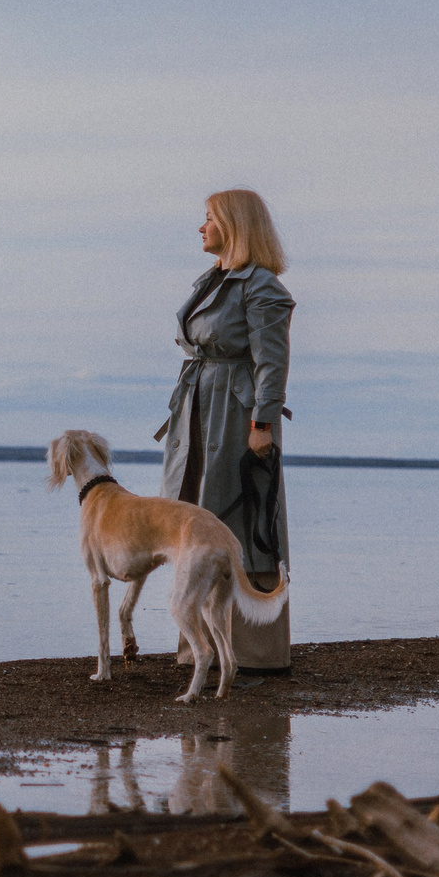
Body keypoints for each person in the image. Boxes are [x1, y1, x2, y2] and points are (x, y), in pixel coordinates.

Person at [157, 188, 294, 673]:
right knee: (193, 518)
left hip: (235, 416)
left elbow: (272, 364)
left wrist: (262, 425)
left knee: (242, 520)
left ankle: (256, 654)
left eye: (210, 219)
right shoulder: (213, 281)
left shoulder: (261, 287)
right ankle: (201, 650)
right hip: (197, 411)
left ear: (234, 225)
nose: (201, 227)